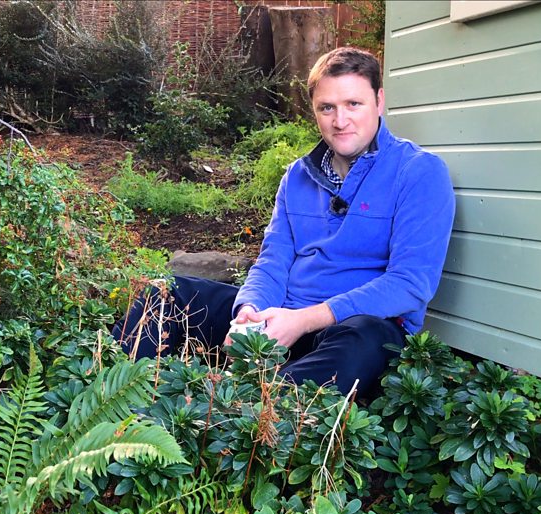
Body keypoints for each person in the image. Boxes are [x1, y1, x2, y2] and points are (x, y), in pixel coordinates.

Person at [113, 47, 455, 398]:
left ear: (379, 101)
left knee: (364, 340)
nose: (340, 121)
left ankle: (241, 410)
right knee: (166, 292)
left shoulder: (419, 172)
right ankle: (117, 399)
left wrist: (304, 321)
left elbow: (410, 283)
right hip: (280, 321)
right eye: (327, 108)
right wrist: (250, 312)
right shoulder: (297, 176)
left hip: (352, 332)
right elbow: (273, 261)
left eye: (354, 104)